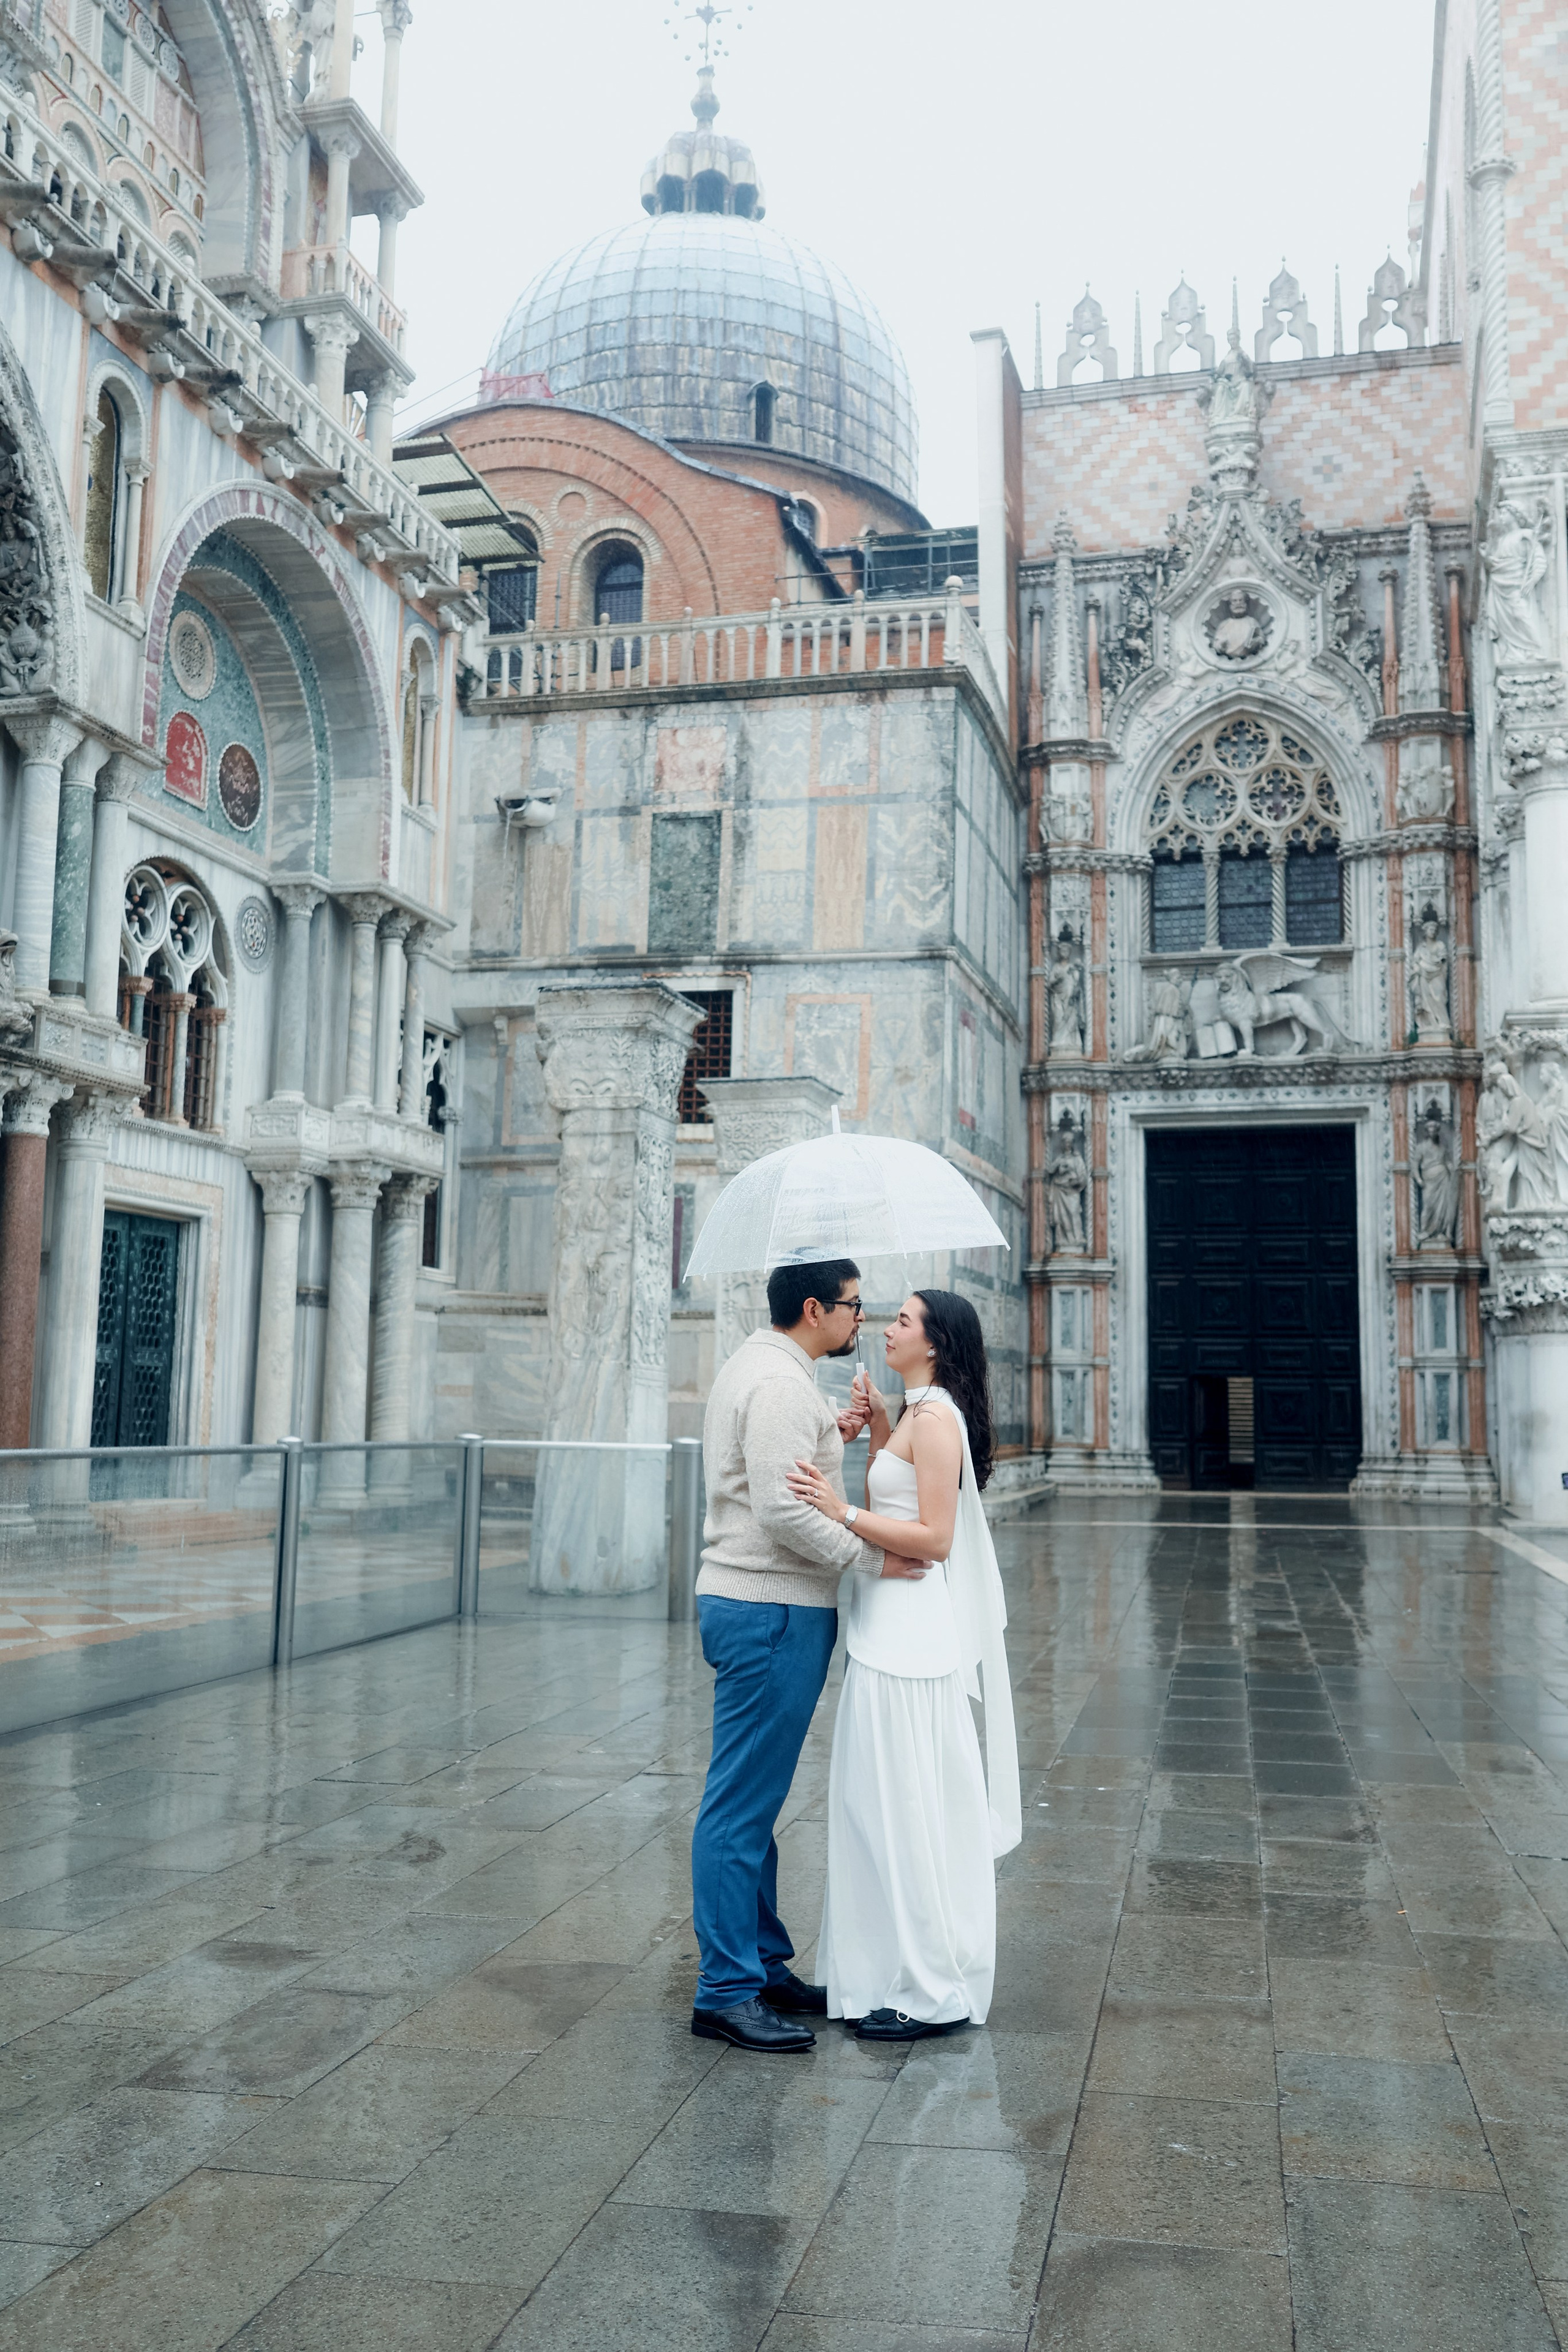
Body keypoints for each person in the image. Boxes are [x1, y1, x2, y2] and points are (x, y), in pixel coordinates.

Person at [689, 1258, 931, 2054]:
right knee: (740, 1807)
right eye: (854, 1307)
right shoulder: (783, 1384)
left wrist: (837, 1435)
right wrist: (873, 1558)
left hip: (766, 1606)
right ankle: (725, 1990)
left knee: (754, 1802)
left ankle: (759, 1964)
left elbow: (781, 1464)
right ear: (813, 1307)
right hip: (771, 1610)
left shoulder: (770, 1372)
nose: (861, 1320)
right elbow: (782, 1511)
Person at [786, 1289, 1020, 2041]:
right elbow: (904, 1495)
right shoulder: (917, 1415)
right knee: (872, 1810)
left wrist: (838, 1510)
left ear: (937, 1344)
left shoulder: (940, 1419)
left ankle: (932, 1989)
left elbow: (936, 1538)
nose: (887, 1328)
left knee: (908, 1812)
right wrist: (880, 1432)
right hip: (883, 1632)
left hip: (912, 1643)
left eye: (904, 1321)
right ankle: (882, 1971)